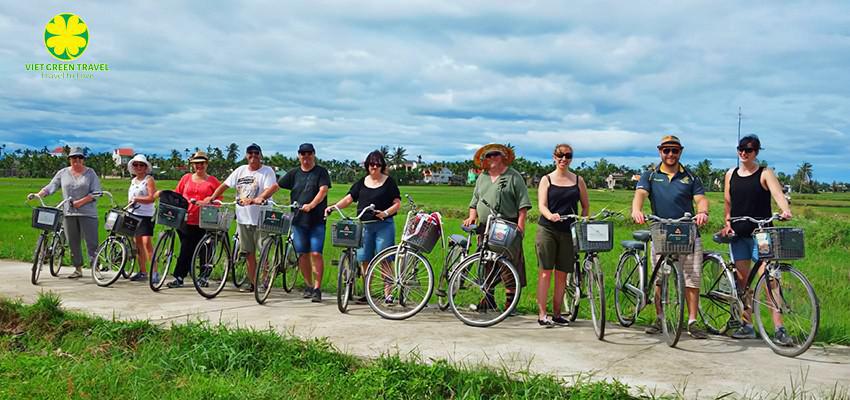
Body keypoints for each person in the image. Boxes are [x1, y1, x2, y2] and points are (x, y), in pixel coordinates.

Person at [631, 135, 710, 339]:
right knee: (660, 277)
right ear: (660, 151)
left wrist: (703, 212)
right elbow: (640, 194)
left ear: (680, 152)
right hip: (661, 230)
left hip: (688, 231)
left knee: (692, 277)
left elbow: (701, 199)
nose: (670, 154)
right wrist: (636, 210)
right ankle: (660, 317)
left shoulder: (691, 177)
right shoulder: (649, 175)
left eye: (674, 150)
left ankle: (692, 321)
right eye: (666, 150)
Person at [721, 135, 793, 343]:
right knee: (743, 282)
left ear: (757, 152)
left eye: (749, 150)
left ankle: (779, 328)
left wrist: (785, 210)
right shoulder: (730, 174)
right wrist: (727, 222)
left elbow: (778, 193)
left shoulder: (765, 173)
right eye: (741, 149)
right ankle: (747, 324)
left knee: (771, 279)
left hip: (762, 235)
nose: (744, 153)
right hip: (738, 234)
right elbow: (728, 201)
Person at [256, 143, 331, 302]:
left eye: (309, 153)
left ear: (313, 154)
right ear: (299, 155)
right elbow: (276, 186)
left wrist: (312, 204)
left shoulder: (321, 172)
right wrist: (262, 196)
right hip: (298, 220)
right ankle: (309, 285)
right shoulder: (294, 173)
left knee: (316, 253)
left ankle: (317, 288)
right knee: (302, 254)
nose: (306, 157)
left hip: (316, 220)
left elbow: (323, 191)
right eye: (303, 154)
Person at [462, 143, 531, 313]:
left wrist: (520, 227)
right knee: (485, 263)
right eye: (488, 155)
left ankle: (510, 304)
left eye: (495, 154)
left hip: (506, 225)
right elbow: (474, 201)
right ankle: (488, 301)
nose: (492, 158)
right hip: (485, 228)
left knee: (509, 264)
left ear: (503, 157)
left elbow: (523, 205)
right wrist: (472, 216)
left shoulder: (514, 177)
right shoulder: (482, 177)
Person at [325, 150, 401, 303]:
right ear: (367, 166)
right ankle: (368, 292)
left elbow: (397, 204)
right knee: (364, 258)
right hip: (365, 225)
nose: (374, 167)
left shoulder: (389, 182)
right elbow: (349, 198)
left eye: (378, 164)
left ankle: (388, 294)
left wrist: (385, 213)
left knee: (384, 258)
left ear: (382, 166)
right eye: (372, 164)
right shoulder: (362, 182)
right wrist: (333, 207)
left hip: (383, 225)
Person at [206, 143, 277, 293]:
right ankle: (253, 283)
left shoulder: (266, 171)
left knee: (262, 251)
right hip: (243, 219)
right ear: (246, 155)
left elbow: (270, 188)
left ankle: (265, 280)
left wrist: (259, 198)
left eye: (256, 153)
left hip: (260, 219)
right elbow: (225, 185)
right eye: (250, 153)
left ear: (260, 155)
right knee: (248, 253)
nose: (253, 156)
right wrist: (212, 197)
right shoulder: (240, 171)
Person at [535, 144, 589, 326]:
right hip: (548, 229)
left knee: (562, 274)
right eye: (560, 155)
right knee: (545, 272)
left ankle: (557, 313)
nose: (563, 159)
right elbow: (541, 205)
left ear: (571, 158)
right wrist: (550, 215)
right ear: (554, 157)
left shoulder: (578, 180)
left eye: (567, 156)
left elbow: (586, 206)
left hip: (568, 231)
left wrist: (582, 220)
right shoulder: (546, 179)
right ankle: (542, 314)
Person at [28, 147, 102, 279]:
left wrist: (81, 202)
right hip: (69, 213)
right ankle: (78, 269)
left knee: (92, 242)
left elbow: (96, 193)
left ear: (83, 159)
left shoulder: (90, 173)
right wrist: (38, 195)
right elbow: (51, 186)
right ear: (69, 159)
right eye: (74, 158)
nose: (77, 160)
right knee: (73, 242)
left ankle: (95, 268)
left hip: (88, 213)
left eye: (80, 158)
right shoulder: (62, 173)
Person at [167, 151, 221, 288]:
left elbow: (219, 199)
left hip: (205, 220)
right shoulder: (186, 178)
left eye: (202, 163)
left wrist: (208, 202)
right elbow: (177, 194)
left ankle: (203, 276)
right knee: (186, 248)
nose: (199, 166)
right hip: (186, 219)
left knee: (205, 249)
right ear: (192, 165)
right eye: (196, 164)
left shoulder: (213, 181)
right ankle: (179, 276)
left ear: (206, 164)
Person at [126, 154, 157, 283]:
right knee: (137, 243)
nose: (138, 167)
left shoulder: (148, 180)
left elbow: (152, 197)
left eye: (141, 165)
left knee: (146, 243)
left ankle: (155, 272)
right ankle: (142, 271)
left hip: (146, 215)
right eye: (136, 165)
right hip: (133, 213)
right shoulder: (133, 181)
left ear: (146, 167)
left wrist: (138, 199)